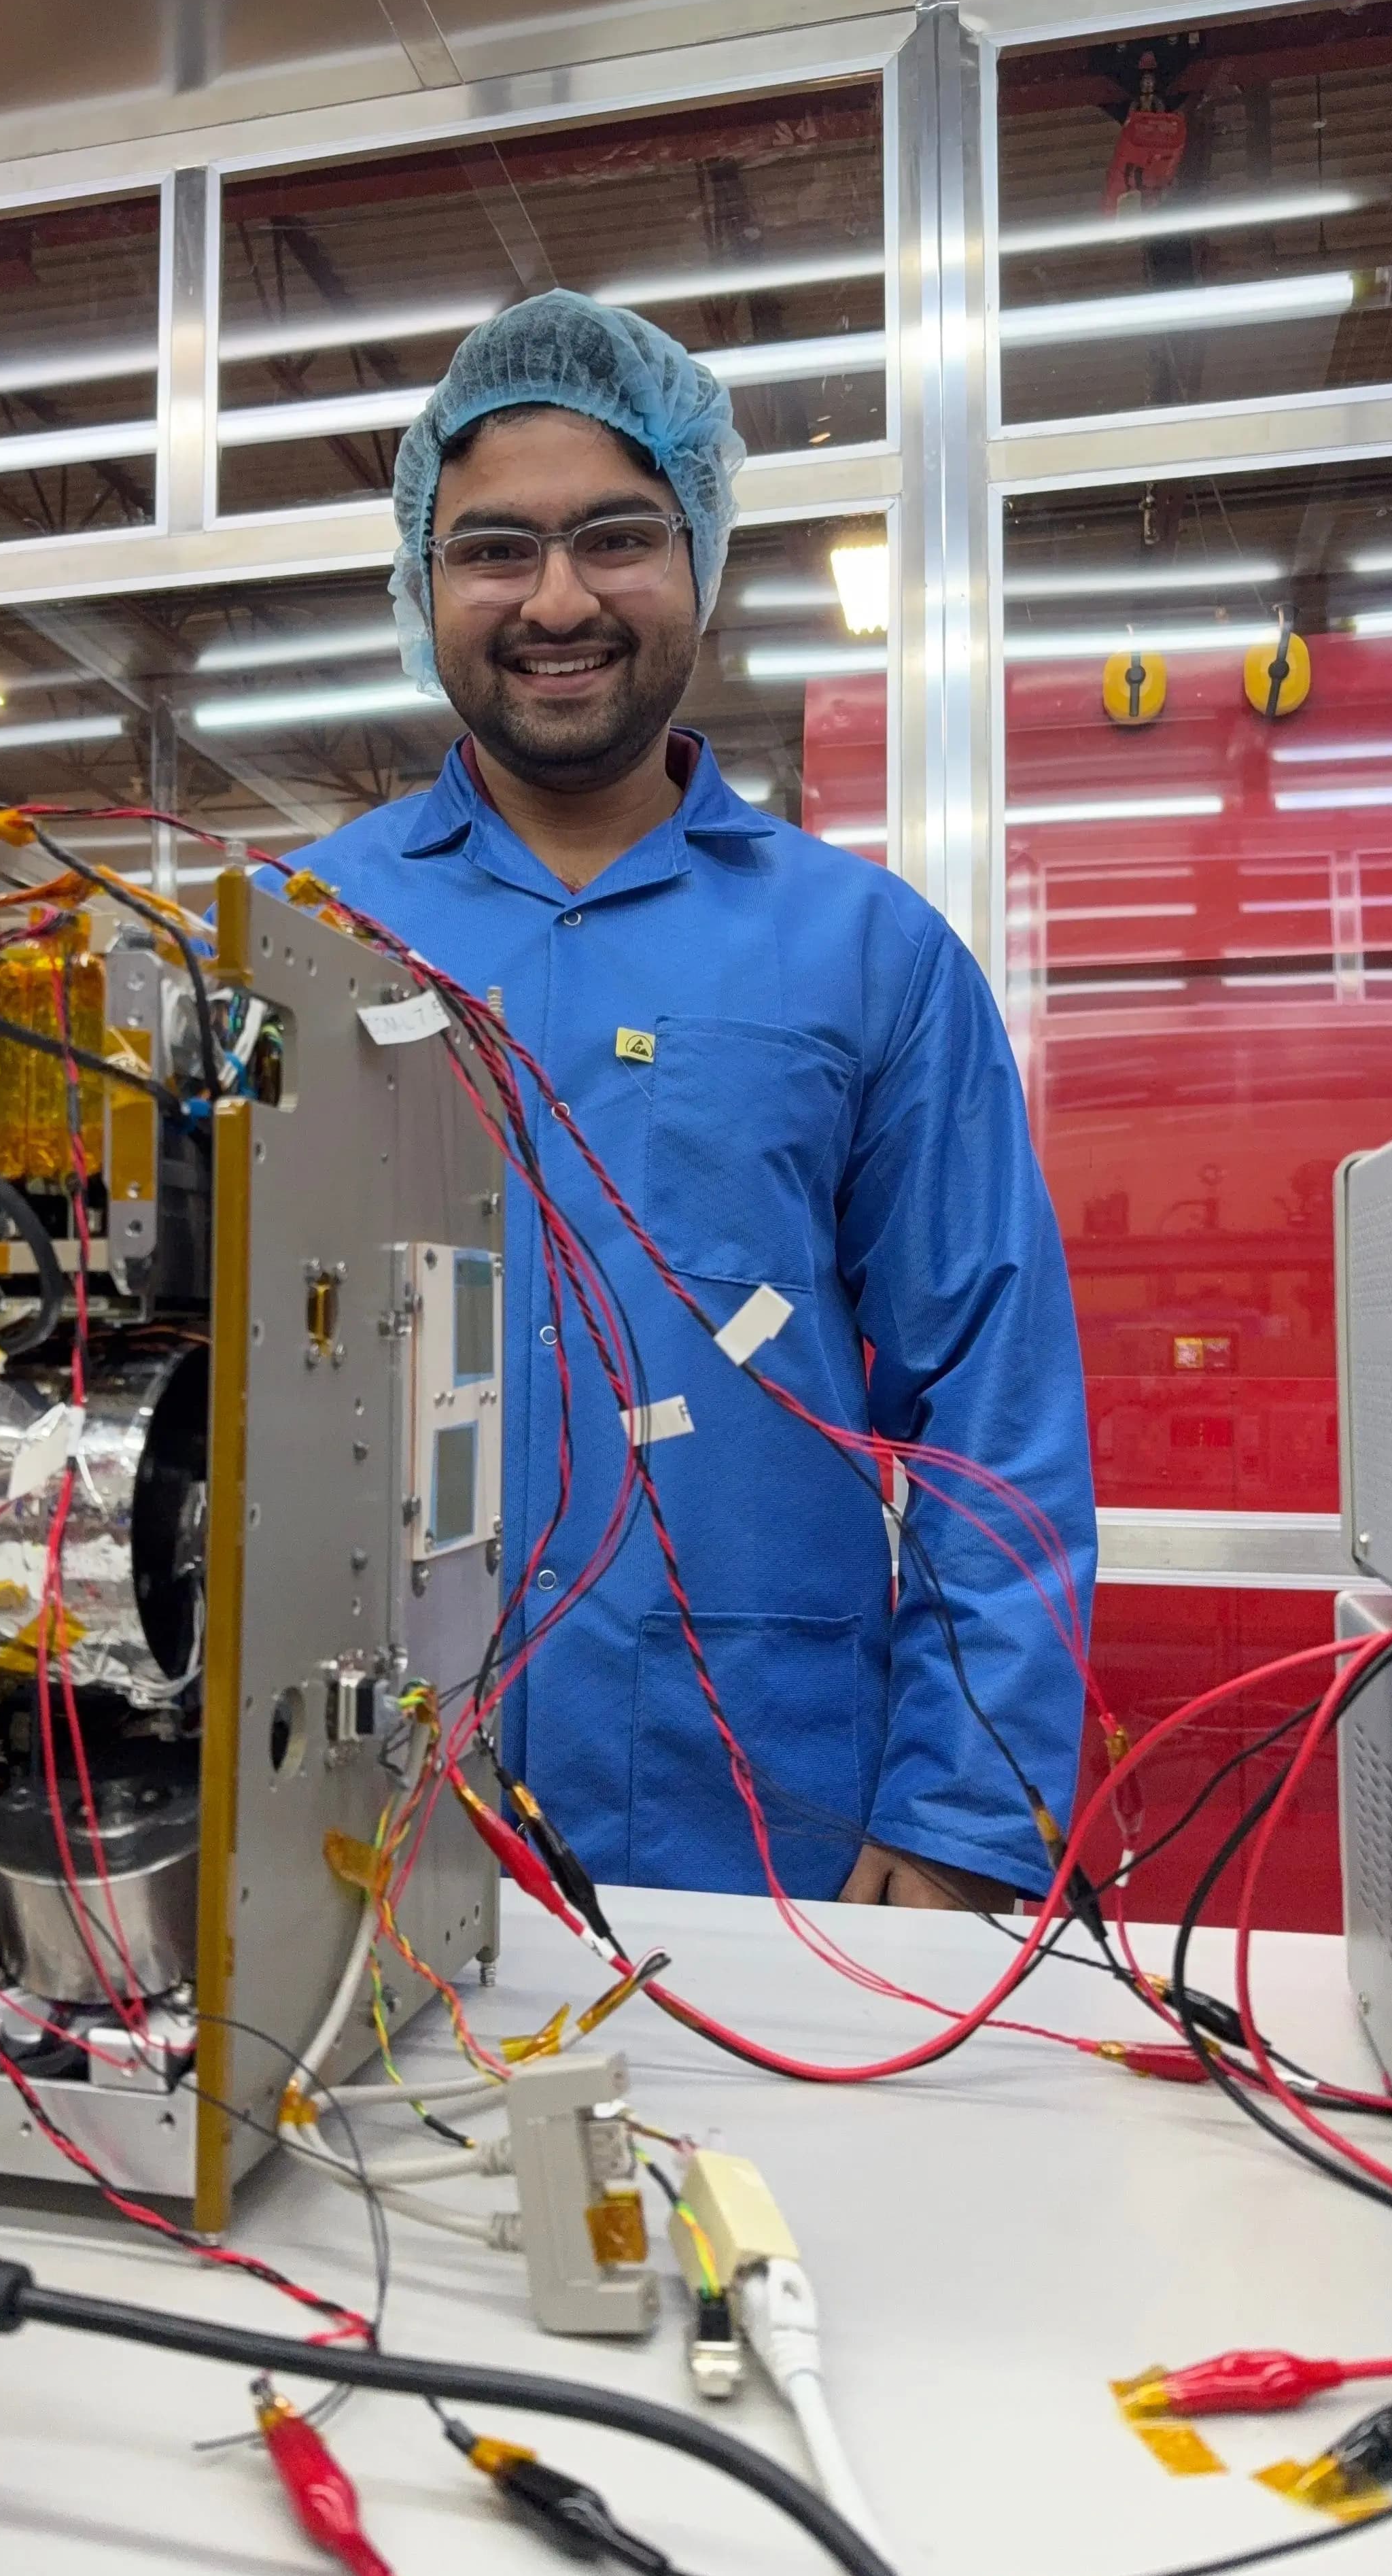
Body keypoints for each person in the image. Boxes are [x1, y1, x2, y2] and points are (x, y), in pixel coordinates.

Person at [292, 290, 1095, 1912]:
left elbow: (992, 1414)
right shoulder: (299, 938)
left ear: (702, 562)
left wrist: (962, 1816)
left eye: (616, 536)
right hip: (336, 1819)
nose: (559, 597)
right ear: (422, 584)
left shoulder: (869, 955)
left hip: (767, 1830)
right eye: (496, 549)